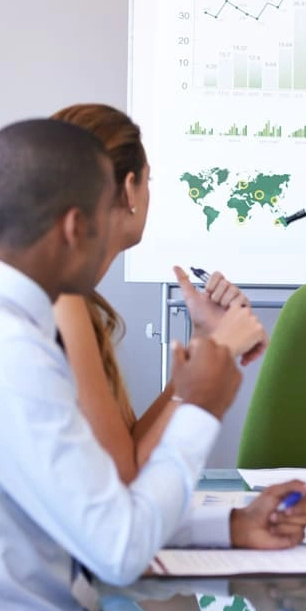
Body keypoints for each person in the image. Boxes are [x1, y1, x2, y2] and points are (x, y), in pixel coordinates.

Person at [0, 119, 306, 611]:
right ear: (77, 227)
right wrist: (200, 410)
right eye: (106, 215)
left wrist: (233, 525)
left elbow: (93, 511)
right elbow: (118, 550)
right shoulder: (6, 357)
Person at [49, 103, 262, 483]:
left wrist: (205, 343)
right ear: (130, 189)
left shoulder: (71, 295)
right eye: (149, 181)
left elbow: (128, 450)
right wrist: (218, 358)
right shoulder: (63, 301)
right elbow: (122, 479)